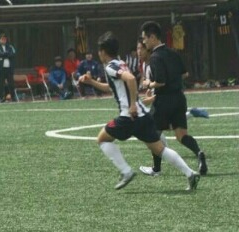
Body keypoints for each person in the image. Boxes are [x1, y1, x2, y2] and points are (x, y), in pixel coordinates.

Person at [78, 32, 199, 191]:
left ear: (103, 52)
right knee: (160, 149)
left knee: (102, 139)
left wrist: (132, 105)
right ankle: (190, 173)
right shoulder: (120, 63)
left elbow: (130, 79)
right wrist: (92, 82)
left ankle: (126, 171)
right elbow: (113, 87)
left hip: (129, 117)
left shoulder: (110, 67)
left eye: (99, 51)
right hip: (143, 116)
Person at [139, 21, 207, 177]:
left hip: (163, 100)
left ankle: (156, 169)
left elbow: (160, 82)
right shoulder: (173, 52)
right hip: (179, 98)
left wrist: (148, 83)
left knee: (152, 134)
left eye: (145, 38)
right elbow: (185, 74)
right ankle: (199, 152)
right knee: (181, 135)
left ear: (153, 37)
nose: (144, 42)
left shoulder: (155, 57)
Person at [0, 33, 16, 102]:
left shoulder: (10, 46)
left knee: (11, 84)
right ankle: (2, 98)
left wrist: (4, 54)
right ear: (0, 40)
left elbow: (13, 53)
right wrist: (6, 54)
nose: (3, 40)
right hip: (1, 69)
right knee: (1, 84)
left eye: (4, 39)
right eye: (2, 39)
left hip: (9, 69)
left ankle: (13, 97)